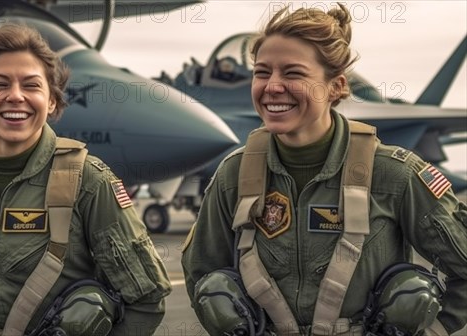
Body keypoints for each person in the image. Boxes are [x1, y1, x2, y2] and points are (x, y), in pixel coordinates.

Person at [181, 4, 466, 336]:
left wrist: (435, 330)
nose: (272, 85)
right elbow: (201, 273)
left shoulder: (394, 175)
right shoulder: (235, 174)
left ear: (336, 87)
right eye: (262, 72)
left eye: (293, 73)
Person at [0, 23, 171, 336]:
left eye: (31, 85)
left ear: (51, 101)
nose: (15, 96)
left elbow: (147, 298)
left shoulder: (89, 182)